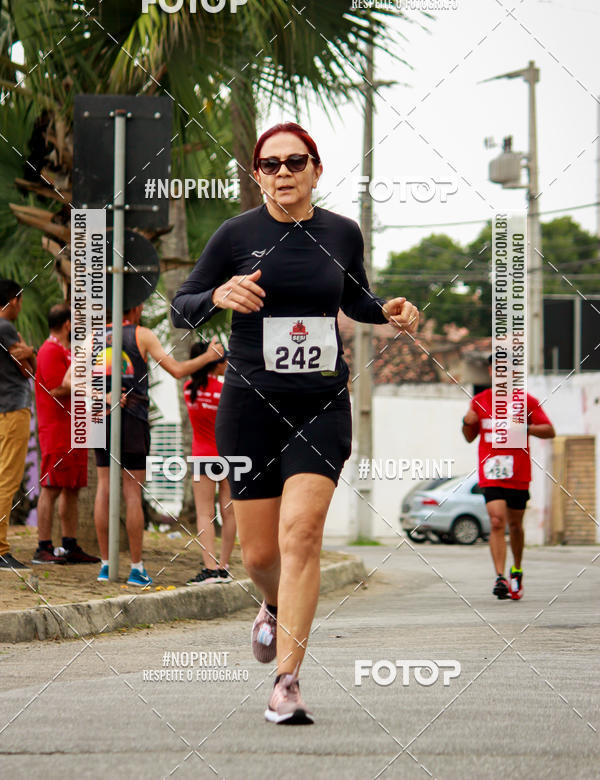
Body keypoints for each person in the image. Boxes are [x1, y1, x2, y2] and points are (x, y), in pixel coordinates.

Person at [171, 121, 419, 724]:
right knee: (258, 556)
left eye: (296, 162)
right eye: (271, 164)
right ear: (257, 175)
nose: (284, 172)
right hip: (250, 406)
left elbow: (356, 299)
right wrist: (218, 296)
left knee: (302, 535)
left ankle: (287, 682)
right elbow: (183, 303)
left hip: (320, 403)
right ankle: (273, 606)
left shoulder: (342, 231)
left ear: (315, 170)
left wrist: (387, 310)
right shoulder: (236, 235)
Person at [90, 302, 224, 587]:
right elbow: (176, 370)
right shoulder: (142, 334)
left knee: (104, 486)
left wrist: (102, 397)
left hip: (100, 417)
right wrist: (208, 357)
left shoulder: (94, 337)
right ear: (136, 307)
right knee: (131, 491)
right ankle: (136, 568)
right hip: (133, 418)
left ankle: (105, 565)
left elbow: (72, 380)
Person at [462, 354, 555, 600]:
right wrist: (466, 421)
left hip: (518, 472)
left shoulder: (527, 401)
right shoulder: (480, 401)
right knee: (496, 521)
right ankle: (499, 577)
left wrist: (524, 427)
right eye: (497, 369)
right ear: (491, 372)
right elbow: (469, 436)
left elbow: (549, 431)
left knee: (515, 526)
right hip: (490, 472)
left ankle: (517, 568)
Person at [33, 303, 99, 565]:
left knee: (72, 488)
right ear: (68, 325)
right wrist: (89, 388)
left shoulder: (66, 352)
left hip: (76, 428)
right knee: (51, 487)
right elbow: (56, 389)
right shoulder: (50, 350)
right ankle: (43, 547)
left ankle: (69, 545)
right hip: (57, 429)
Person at [183, 338, 236, 585]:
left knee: (205, 513)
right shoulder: (226, 390)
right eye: (223, 359)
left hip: (201, 456)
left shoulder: (188, 390)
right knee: (229, 512)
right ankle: (224, 567)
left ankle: (210, 567)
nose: (226, 362)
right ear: (214, 363)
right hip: (228, 455)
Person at [0, 278, 36, 570]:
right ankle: (0, 549)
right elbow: (26, 368)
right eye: (20, 301)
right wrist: (29, 349)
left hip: (4, 411)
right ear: (13, 300)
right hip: (13, 409)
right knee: (7, 480)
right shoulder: (5, 328)